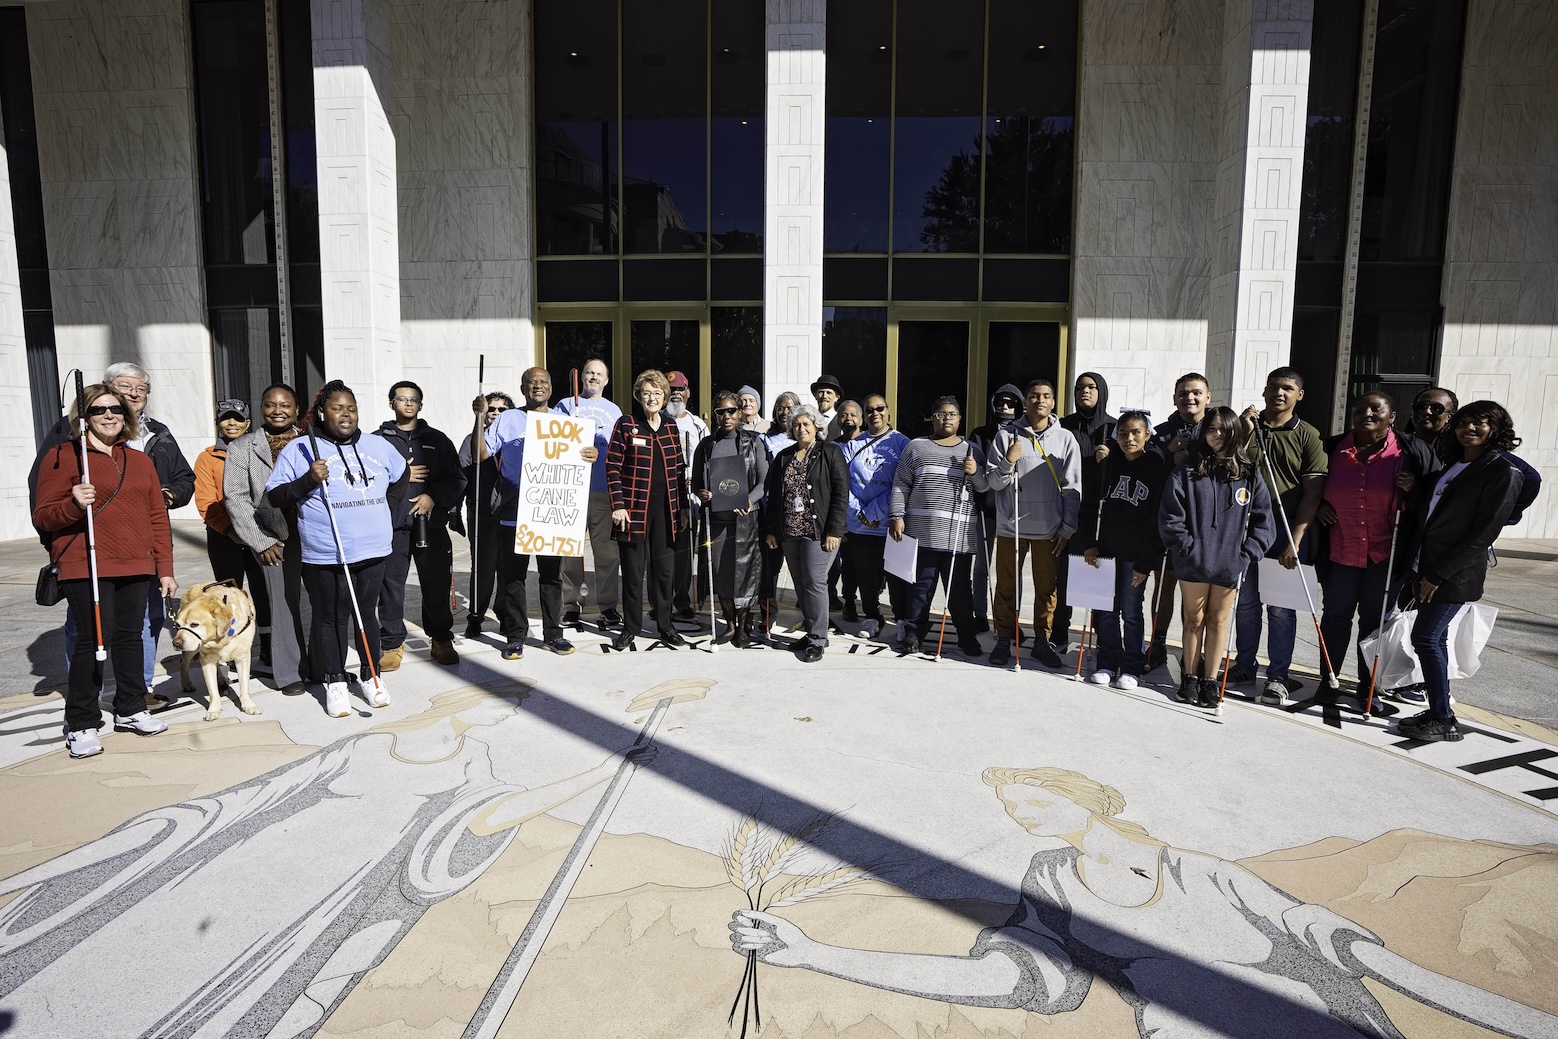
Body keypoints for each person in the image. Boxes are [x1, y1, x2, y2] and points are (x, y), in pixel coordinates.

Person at [731, 765, 1558, 1039]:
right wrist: (814, 951)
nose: (1023, 817)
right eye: (1015, 809)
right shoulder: (1052, 884)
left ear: (1091, 798)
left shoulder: (1214, 877)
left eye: (1036, 801)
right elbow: (1005, 982)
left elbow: (1384, 966)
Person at [28, 362, 194, 696]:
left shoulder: (157, 434)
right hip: (89, 553)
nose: (132, 395)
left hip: (140, 552)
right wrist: (61, 541)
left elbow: (183, 479)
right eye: (123, 389)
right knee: (89, 631)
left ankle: (138, 690)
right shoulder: (66, 437)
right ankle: (93, 692)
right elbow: (43, 499)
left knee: (142, 625)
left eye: (140, 389)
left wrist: (171, 495)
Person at [266, 380, 407, 718]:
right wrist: (308, 481)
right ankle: (335, 682)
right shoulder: (300, 449)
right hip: (326, 552)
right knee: (330, 618)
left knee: (366, 615)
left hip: (373, 550)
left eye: (352, 408)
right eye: (338, 408)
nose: (346, 415)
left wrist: (384, 513)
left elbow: (401, 480)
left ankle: (372, 677)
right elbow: (275, 496)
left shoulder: (379, 445)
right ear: (321, 413)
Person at [1396, 401, 1525, 743]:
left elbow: (1483, 533)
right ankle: (1440, 711)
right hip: (1426, 563)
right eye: (1463, 423)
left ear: (1496, 430)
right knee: (1433, 638)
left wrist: (1437, 575)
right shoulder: (1457, 465)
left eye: (1479, 423)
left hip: (1451, 572)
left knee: (1425, 637)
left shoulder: (1503, 471)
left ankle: (1443, 718)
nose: (1469, 428)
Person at [474, 368, 596, 660]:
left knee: (551, 577)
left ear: (551, 388)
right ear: (523, 388)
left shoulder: (566, 422)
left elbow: (577, 465)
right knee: (513, 578)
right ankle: (515, 636)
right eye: (531, 382)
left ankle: (553, 635)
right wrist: (479, 419)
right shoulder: (507, 419)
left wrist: (591, 455)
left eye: (543, 382)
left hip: (550, 511)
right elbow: (481, 454)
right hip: (514, 511)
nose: (537, 386)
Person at [1158, 407, 1276, 709]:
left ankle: (1210, 680)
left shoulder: (1248, 474)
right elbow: (1171, 517)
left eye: (1224, 428)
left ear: (1235, 432)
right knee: (1193, 620)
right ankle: (1190, 678)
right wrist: (1186, 548)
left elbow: (1265, 523)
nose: (1217, 434)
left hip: (1229, 564)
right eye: (1211, 428)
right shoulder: (1187, 470)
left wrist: (1246, 554)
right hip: (1194, 563)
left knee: (1218, 620)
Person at [1314, 392, 1432, 689]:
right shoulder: (1331, 448)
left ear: (1392, 416)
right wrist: (1318, 505)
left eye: (1375, 409)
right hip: (1341, 551)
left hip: (1386, 555)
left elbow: (1435, 498)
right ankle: (1329, 679)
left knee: (1375, 622)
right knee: (1335, 617)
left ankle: (1369, 686)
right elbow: (1308, 486)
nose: (1366, 413)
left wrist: (1415, 488)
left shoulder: (1411, 452)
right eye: (1359, 409)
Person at [1236, 368, 1328, 704]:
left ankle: (1279, 675)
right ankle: (1244, 664)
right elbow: (1234, 469)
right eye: (1273, 387)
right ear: (1263, 392)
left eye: (1287, 388)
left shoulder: (1308, 435)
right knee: (1245, 604)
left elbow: (1312, 494)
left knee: (1280, 609)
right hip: (1246, 532)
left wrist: (1296, 540)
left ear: (1299, 395)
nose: (1279, 393)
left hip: (1284, 534)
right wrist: (1245, 432)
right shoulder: (1249, 430)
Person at [985, 380, 1082, 669]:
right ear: (1025, 402)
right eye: (1034, 396)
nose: (1040, 400)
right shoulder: (1006, 436)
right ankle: (1004, 637)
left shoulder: (1065, 439)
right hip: (1010, 527)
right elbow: (993, 482)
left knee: (1046, 588)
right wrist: (1008, 462)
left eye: (1046, 396)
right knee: (1006, 586)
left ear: (1053, 402)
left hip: (1048, 529)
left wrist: (1067, 528)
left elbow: (1072, 486)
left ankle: (1043, 639)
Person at [223, 384, 311, 693]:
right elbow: (236, 499)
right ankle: (290, 673)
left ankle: (325, 665)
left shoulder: (312, 441)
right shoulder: (242, 447)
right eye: (270, 404)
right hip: (275, 538)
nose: (277, 410)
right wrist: (261, 541)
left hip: (316, 534)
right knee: (283, 604)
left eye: (285, 404)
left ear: (296, 409)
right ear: (261, 409)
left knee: (324, 602)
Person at [1073, 412, 1169, 690]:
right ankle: (1107, 662)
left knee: (1131, 612)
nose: (1129, 438)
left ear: (1147, 436)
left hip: (1135, 557)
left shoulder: (1156, 469)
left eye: (1136, 433)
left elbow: (1158, 520)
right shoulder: (1106, 466)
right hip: (1104, 552)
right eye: (1124, 433)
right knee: (1104, 610)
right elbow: (1088, 506)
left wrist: (1146, 561)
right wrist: (1088, 542)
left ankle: (1131, 667)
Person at [887, 396, 987, 657]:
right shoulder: (916, 447)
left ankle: (967, 636)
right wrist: (897, 515)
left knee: (960, 592)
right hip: (922, 533)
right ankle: (913, 633)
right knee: (920, 588)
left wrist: (975, 471)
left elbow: (985, 487)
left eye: (952, 414)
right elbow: (901, 483)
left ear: (960, 418)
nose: (947, 419)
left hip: (958, 536)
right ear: (932, 418)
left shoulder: (972, 450)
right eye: (941, 414)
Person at [376, 381, 466, 670]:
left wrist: (432, 497)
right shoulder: (377, 441)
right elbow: (366, 480)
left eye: (413, 399)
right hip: (391, 526)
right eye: (402, 399)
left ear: (420, 404)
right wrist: (403, 474)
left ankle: (440, 639)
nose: (408, 404)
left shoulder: (438, 440)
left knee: (436, 585)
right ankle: (391, 643)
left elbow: (456, 479)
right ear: (392, 403)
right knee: (390, 587)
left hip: (432, 525)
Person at [605, 370, 689, 651]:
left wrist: (684, 508)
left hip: (666, 511)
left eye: (657, 393)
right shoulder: (626, 425)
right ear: (638, 396)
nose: (652, 398)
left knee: (665, 572)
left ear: (665, 396)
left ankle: (665, 626)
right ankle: (630, 627)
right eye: (646, 393)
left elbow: (679, 471)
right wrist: (617, 504)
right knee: (632, 571)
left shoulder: (670, 427)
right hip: (633, 510)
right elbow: (612, 466)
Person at [763, 404, 848, 662]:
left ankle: (818, 639)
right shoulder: (784, 456)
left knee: (814, 580)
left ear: (816, 426)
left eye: (806, 424)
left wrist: (834, 529)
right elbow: (775, 497)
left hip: (819, 531)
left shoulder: (831, 452)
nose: (801, 428)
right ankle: (813, 630)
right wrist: (772, 530)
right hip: (790, 530)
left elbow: (841, 494)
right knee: (801, 583)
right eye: (796, 425)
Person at [691, 391, 770, 646]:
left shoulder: (754, 442)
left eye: (732, 410)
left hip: (746, 519)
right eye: (721, 412)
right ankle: (729, 625)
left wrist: (749, 500)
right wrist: (700, 492)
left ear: (740, 412)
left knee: (744, 574)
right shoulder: (706, 446)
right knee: (720, 573)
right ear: (714, 415)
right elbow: (695, 482)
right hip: (716, 520)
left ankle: (744, 626)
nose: (727, 416)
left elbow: (763, 481)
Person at [1052, 372, 1118, 655]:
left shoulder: (1115, 428)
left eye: (1091, 387)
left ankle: (1103, 639)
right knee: (1064, 576)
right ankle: (1059, 633)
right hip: (1070, 510)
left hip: (1103, 514)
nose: (1085, 391)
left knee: (1099, 576)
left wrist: (1109, 461)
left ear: (1101, 391)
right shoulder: (1064, 426)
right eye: (1079, 387)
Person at [557, 358, 624, 628]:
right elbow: (552, 443)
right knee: (570, 553)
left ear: (606, 380)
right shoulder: (564, 406)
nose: (593, 377)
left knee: (607, 553)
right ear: (582, 376)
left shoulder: (614, 411)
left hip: (602, 490)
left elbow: (620, 449)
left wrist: (601, 453)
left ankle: (608, 606)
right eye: (589, 372)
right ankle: (571, 605)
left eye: (599, 374)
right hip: (572, 488)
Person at [194, 399, 267, 636]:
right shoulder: (207, 458)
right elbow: (206, 502)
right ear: (217, 423)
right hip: (225, 537)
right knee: (229, 593)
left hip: (260, 535)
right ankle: (231, 641)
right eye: (226, 418)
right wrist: (229, 530)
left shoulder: (259, 451)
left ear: (248, 423)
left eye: (238, 418)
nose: (232, 423)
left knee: (264, 591)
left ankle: (267, 643)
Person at [843, 394, 912, 640]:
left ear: (888, 412)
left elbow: (904, 482)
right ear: (863, 416)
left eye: (880, 409)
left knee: (896, 576)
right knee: (866, 575)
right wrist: (860, 513)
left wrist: (874, 511)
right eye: (869, 410)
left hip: (890, 524)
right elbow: (841, 483)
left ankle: (902, 619)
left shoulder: (902, 443)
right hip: (860, 525)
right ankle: (872, 616)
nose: (875, 414)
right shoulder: (853, 445)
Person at [457, 391, 516, 638]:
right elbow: (460, 476)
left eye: (502, 410)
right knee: (483, 567)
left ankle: (504, 613)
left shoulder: (516, 440)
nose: (496, 413)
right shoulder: (473, 440)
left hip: (511, 511)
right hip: (482, 512)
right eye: (492, 409)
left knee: (508, 568)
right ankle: (476, 615)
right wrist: (453, 511)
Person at [969, 385, 1022, 635]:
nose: (1005, 408)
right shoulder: (980, 434)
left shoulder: (1024, 433)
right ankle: (980, 613)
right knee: (982, 565)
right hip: (987, 508)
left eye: (1011, 403)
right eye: (1000, 403)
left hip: (1016, 511)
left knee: (1012, 567)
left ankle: (1012, 617)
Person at [756, 391, 802, 638]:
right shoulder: (765, 440)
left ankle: (812, 617)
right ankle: (766, 616)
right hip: (771, 514)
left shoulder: (806, 441)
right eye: (780, 408)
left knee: (802, 572)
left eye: (789, 407)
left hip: (799, 516)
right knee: (769, 571)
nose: (784, 412)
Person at [665, 370, 709, 623]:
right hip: (662, 497)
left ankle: (681, 600)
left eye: (680, 389)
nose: (676, 394)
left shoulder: (697, 425)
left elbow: (707, 460)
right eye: (672, 390)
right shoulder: (656, 419)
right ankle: (659, 599)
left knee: (683, 553)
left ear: (688, 392)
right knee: (660, 552)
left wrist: (699, 482)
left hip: (688, 499)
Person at [829, 400, 864, 619]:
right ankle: (846, 599)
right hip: (838, 513)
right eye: (843, 415)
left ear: (861, 419)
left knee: (859, 562)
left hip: (864, 513)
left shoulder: (869, 443)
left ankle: (863, 601)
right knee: (839, 561)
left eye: (853, 414)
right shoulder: (832, 447)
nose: (848, 418)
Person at [811, 373, 844, 439]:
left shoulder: (841, 420)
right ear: (815, 395)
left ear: (836, 398)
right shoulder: (810, 419)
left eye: (829, 393)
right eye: (821, 392)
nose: (824, 396)